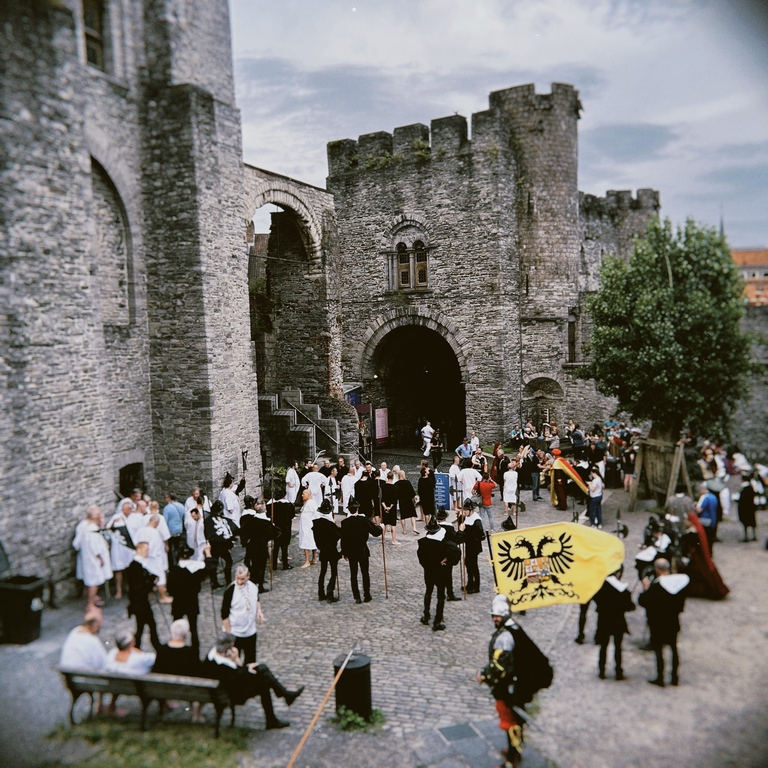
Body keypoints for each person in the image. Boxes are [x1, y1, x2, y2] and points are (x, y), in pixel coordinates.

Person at [202, 633, 304, 730]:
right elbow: (241, 678)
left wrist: (246, 668)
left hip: (224, 690)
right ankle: (277, 709)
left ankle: (284, 695)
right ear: (227, 649)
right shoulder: (225, 666)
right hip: (234, 695)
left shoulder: (210, 659)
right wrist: (237, 660)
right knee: (264, 682)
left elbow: (236, 675)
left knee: (262, 671)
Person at [478, 595, 525, 768]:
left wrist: (484, 675)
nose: (495, 619)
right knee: (513, 721)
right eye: (494, 616)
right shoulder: (510, 629)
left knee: (510, 722)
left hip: (507, 686)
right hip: (513, 683)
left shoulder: (505, 637)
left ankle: (512, 761)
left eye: (497, 616)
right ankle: (515, 753)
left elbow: (500, 664)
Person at [638, 558, 688, 687]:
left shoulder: (656, 586)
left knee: (659, 649)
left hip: (658, 622)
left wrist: (646, 589)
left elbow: (644, 601)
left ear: (657, 569)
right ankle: (674, 677)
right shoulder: (678, 584)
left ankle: (660, 677)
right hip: (673, 621)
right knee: (673, 648)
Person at [153, 618, 205, 722]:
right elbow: (199, 673)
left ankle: (164, 706)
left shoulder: (162, 650)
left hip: (164, 688)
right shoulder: (190, 652)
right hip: (187, 689)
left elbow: (155, 670)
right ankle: (196, 713)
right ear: (185, 635)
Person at [592, 568, 635, 680]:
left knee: (603, 646)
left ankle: (601, 670)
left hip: (604, 621)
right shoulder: (623, 590)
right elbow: (629, 607)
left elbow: (595, 599)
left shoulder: (601, 587)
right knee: (618, 647)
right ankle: (618, 671)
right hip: (618, 621)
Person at [166, 544, 210, 652]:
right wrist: (208, 553)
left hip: (178, 603)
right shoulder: (196, 569)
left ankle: (175, 650)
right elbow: (210, 567)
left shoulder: (174, 571)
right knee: (194, 629)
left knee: (176, 629)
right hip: (192, 601)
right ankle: (196, 652)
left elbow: (170, 590)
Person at [340, 497, 382, 603]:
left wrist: (344, 552)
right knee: (365, 573)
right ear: (357, 509)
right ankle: (367, 595)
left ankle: (357, 597)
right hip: (362, 550)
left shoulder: (345, 522)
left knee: (353, 574)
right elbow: (375, 532)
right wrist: (380, 527)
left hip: (351, 551)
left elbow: (343, 539)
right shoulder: (364, 520)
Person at [221, 564, 262, 665]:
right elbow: (224, 613)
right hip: (235, 632)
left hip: (250, 631)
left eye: (242, 579)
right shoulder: (230, 590)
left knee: (251, 662)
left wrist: (259, 611)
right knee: (234, 662)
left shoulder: (253, 587)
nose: (239, 582)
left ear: (248, 577)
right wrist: (229, 632)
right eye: (237, 578)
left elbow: (257, 599)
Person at [73, 505, 113, 610]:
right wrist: (100, 558)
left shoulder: (86, 526)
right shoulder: (91, 530)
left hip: (87, 556)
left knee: (89, 578)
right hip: (92, 558)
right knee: (93, 580)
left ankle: (88, 596)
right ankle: (90, 604)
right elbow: (95, 547)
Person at [417, 517, 453, 631]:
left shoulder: (422, 543)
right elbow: (454, 553)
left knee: (428, 592)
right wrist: (445, 560)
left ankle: (426, 615)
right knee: (440, 596)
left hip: (428, 572)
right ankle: (437, 621)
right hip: (440, 572)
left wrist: (428, 566)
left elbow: (421, 559)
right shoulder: (443, 543)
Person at [125, 541, 161, 651]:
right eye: (146, 550)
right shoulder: (135, 566)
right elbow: (139, 587)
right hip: (139, 602)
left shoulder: (138, 564)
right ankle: (156, 647)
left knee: (142, 626)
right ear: (139, 550)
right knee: (148, 625)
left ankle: (142, 647)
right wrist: (151, 583)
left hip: (140, 602)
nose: (148, 552)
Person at [239, 497, 279, 592]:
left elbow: (243, 531)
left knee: (254, 565)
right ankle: (259, 585)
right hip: (261, 547)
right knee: (261, 567)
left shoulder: (249, 520)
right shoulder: (265, 523)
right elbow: (276, 533)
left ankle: (253, 583)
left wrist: (246, 541)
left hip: (252, 546)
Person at [136, 514, 172, 603]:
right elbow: (156, 546)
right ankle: (163, 596)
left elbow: (136, 543)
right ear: (155, 522)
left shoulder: (140, 531)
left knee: (146, 577)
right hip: (154, 557)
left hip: (142, 557)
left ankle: (148, 595)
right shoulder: (154, 532)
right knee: (160, 576)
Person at [313, 498, 341, 602]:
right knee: (333, 572)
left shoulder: (316, 523)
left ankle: (321, 593)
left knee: (323, 572)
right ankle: (330, 593)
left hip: (323, 550)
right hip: (331, 550)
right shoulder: (330, 524)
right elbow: (337, 536)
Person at [106, 500, 135, 600]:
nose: (125, 511)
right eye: (124, 509)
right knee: (119, 568)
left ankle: (129, 586)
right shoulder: (116, 517)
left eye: (127, 509)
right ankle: (119, 590)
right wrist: (113, 529)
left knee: (131, 567)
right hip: (119, 547)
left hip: (131, 546)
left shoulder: (134, 517)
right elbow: (108, 530)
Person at [205, 500, 238, 588]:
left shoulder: (207, 520)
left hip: (213, 544)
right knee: (228, 561)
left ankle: (214, 582)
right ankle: (228, 581)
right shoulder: (223, 520)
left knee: (214, 563)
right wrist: (229, 546)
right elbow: (227, 535)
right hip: (222, 545)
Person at [435, 507, 463, 602]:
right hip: (447, 554)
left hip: (438, 554)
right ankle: (450, 594)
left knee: (439, 574)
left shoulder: (434, 528)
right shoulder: (449, 528)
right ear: (445, 518)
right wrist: (461, 531)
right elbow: (457, 540)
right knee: (448, 575)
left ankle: (441, 593)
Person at [459, 499, 484, 594]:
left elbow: (481, 535)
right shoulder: (466, 517)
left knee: (473, 565)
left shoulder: (476, 520)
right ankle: (470, 583)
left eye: (466, 510)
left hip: (474, 546)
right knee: (468, 564)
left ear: (471, 510)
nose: (464, 511)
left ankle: (476, 586)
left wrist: (470, 534)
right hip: (468, 545)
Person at [268, 492, 295, 571]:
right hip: (286, 528)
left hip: (277, 528)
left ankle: (274, 565)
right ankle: (285, 564)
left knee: (276, 546)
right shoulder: (289, 505)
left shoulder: (273, 505)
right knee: (284, 546)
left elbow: (269, 514)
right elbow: (292, 515)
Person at [163, 493, 187, 567]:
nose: (165, 499)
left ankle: (171, 565)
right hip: (179, 529)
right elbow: (184, 517)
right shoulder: (181, 506)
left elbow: (165, 521)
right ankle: (178, 561)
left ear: (169, 498)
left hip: (170, 531)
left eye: (166, 497)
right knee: (177, 546)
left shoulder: (167, 508)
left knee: (170, 548)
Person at [695, 482, 719, 555]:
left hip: (704, 519)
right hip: (712, 519)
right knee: (710, 537)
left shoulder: (704, 497)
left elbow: (699, 509)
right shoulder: (713, 497)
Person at [298, 488, 318, 568]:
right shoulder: (308, 502)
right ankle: (313, 559)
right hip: (306, 525)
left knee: (307, 542)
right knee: (311, 541)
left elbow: (316, 514)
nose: (302, 495)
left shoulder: (311, 503)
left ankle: (307, 561)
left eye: (304, 494)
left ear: (309, 495)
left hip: (308, 526)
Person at [396, 469, 419, 535]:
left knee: (403, 516)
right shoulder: (407, 482)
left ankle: (404, 530)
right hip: (408, 500)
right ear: (403, 475)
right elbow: (412, 492)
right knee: (412, 515)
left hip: (401, 501)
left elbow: (396, 495)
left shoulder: (396, 484)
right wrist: (414, 499)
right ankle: (414, 528)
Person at [184, 497, 207, 561]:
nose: (193, 518)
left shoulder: (201, 521)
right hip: (195, 539)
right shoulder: (194, 513)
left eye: (194, 517)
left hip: (201, 540)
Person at [380, 471, 400, 545]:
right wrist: (390, 507)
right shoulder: (395, 487)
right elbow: (394, 499)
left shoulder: (383, 487)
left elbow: (381, 498)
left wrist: (385, 507)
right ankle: (393, 540)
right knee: (393, 524)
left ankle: (383, 539)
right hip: (392, 507)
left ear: (387, 477)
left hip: (384, 506)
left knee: (384, 523)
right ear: (393, 477)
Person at [737, 473, 758, 542]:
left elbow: (741, 499)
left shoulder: (744, 489)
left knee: (745, 523)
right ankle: (754, 536)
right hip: (751, 508)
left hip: (744, 508)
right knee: (752, 522)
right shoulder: (751, 488)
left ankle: (746, 537)